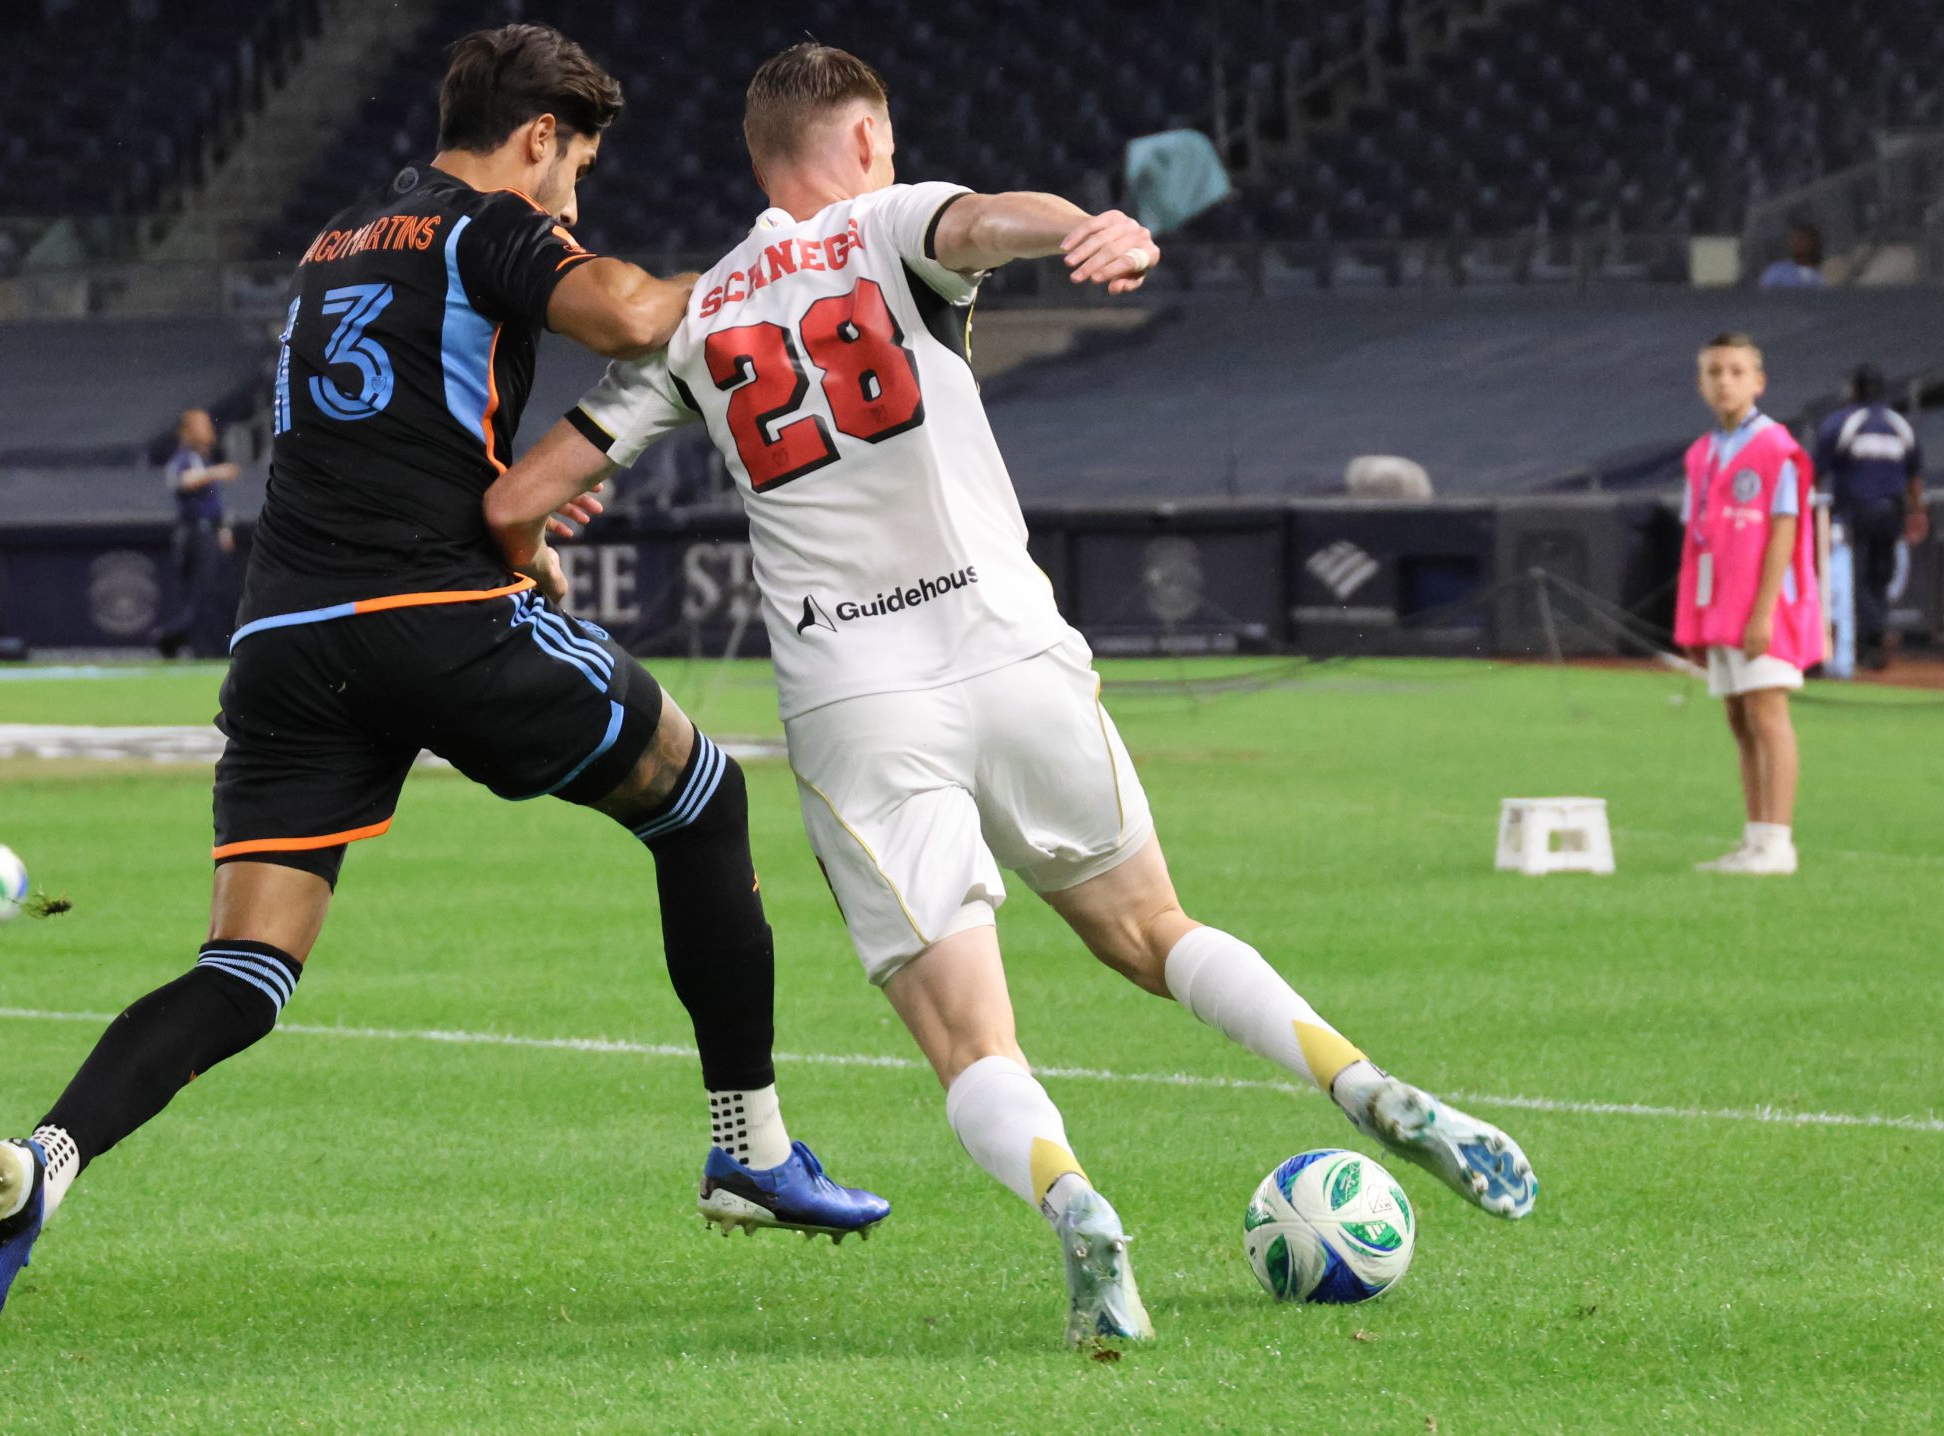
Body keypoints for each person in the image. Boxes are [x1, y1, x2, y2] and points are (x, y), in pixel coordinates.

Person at [483, 43, 1537, 1349]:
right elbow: (988, 223)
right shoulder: (890, 220)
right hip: (1010, 648)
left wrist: (537, 544)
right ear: (864, 143)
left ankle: (1075, 1201)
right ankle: (1361, 1080)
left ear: (760, 162)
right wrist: (1089, 225)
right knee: (1153, 930)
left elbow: (518, 499)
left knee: (975, 1042)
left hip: (857, 702)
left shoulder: (694, 311)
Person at [0, 24, 886, 1350]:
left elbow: (396, 440)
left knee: (246, 965)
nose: (575, 204)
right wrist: (781, 250)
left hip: (282, 639)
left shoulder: (333, 246)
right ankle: (751, 1148)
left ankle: (47, 1160)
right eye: (577, 172)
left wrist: (528, 536)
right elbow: (633, 312)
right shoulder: (485, 224)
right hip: (424, 615)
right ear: (537, 138)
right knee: (700, 795)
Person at [1675, 333, 1822, 876]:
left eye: (1737, 371)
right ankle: (1756, 838)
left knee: (1767, 711)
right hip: (1721, 607)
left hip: (1765, 608)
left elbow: (1786, 531)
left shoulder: (1777, 449)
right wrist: (1693, 622)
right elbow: (1699, 542)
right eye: (1715, 372)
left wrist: (1762, 612)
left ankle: (1779, 844)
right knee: (1739, 717)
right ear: (1701, 383)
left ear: (1758, 382)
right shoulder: (1701, 455)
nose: (1725, 381)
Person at [1814, 364, 1926, 671]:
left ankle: (1872, 637)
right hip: (1892, 511)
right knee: (1879, 577)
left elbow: (1816, 471)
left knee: (1859, 578)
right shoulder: (1900, 424)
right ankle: (1873, 642)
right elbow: (1914, 477)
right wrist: (1917, 511)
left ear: (1854, 390)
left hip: (1856, 511)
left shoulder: (1841, 423)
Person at [155, 408, 241, 658]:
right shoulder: (186, 457)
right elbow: (182, 480)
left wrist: (222, 530)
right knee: (202, 592)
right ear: (186, 431)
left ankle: (183, 638)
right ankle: (185, 641)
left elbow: (215, 504)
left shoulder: (203, 458)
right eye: (201, 425)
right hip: (196, 532)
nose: (209, 430)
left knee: (216, 591)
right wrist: (217, 472)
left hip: (210, 531)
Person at [1757, 224, 1826, 289]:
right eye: (1794, 240)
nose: (1797, 244)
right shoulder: (1776, 271)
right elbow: (1763, 297)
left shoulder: (1825, 273)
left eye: (1801, 239)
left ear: (1813, 243)